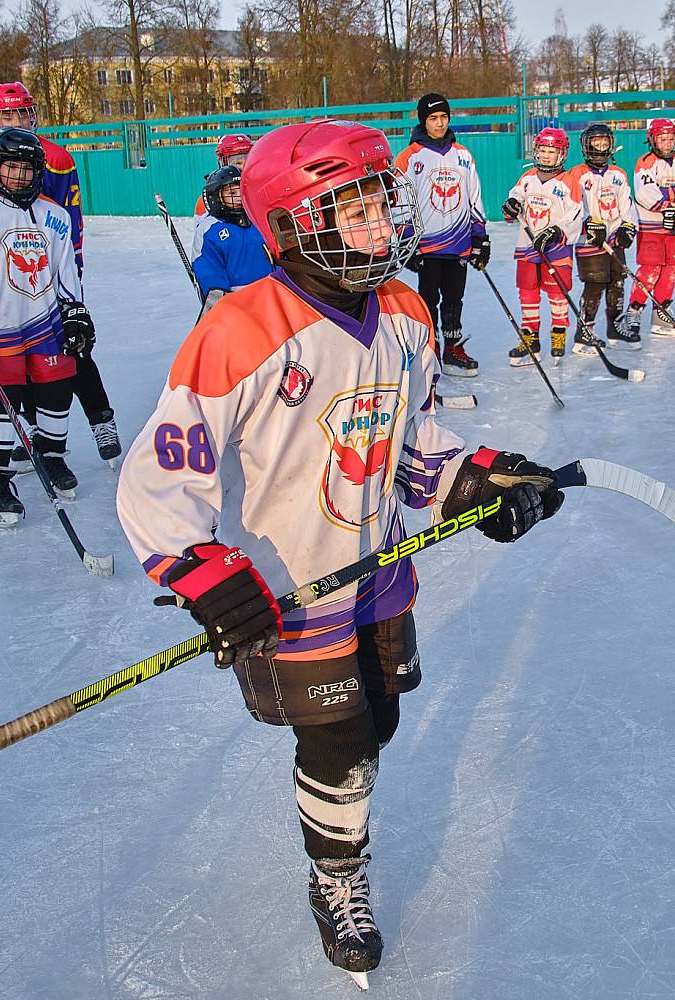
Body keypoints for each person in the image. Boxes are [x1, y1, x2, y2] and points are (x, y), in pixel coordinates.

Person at [114, 118, 563, 988]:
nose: (379, 226)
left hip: (378, 568)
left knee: (379, 718)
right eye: (351, 212)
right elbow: (160, 475)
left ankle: (338, 817)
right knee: (341, 739)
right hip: (287, 587)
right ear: (288, 225)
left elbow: (410, 442)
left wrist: (475, 479)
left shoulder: (404, 311)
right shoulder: (239, 330)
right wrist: (200, 571)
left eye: (379, 205)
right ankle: (337, 877)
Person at [0, 82, 121, 466]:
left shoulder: (57, 158)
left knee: (73, 345)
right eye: (5, 114)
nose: (14, 120)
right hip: (0, 277)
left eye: (20, 112)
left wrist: (73, 268)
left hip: (49, 269)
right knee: (14, 356)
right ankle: (33, 428)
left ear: (32, 114)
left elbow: (70, 217)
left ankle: (101, 419)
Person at [0, 127, 92, 528]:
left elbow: (65, 269)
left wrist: (74, 310)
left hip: (45, 319)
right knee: (2, 398)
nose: (19, 176)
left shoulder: (54, 214)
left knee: (57, 390)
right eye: (11, 166)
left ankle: (51, 455)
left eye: (27, 168)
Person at [394, 93, 490, 377]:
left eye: (444, 117)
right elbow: (400, 202)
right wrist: (407, 241)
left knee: (454, 298)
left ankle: (452, 349)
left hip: (458, 242)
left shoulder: (463, 155)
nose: (439, 123)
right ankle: (431, 348)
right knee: (427, 298)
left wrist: (480, 237)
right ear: (423, 121)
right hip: (427, 244)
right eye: (433, 118)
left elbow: (474, 198)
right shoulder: (410, 157)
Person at [501, 126, 582, 365]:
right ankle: (530, 338)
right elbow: (516, 196)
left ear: (562, 154)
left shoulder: (569, 181)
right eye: (543, 150)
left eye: (552, 151)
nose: (546, 156)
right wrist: (512, 204)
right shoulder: (527, 178)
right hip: (528, 244)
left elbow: (576, 214)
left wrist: (557, 231)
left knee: (558, 292)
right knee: (528, 291)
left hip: (556, 248)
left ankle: (558, 333)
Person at [561, 122, 635, 354]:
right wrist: (588, 224)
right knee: (595, 284)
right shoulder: (576, 174)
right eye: (596, 142)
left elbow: (627, 204)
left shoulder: (618, 174)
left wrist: (628, 226)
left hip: (614, 238)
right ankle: (585, 331)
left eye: (605, 142)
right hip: (589, 240)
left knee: (617, 282)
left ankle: (615, 327)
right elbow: (572, 206)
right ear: (586, 145)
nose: (601, 147)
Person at [624, 119, 675, 340]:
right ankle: (634, 310)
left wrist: (666, 193)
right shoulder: (645, 162)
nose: (667, 143)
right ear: (653, 140)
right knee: (649, 271)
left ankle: (661, 312)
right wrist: (669, 203)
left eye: (670, 139)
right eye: (662, 139)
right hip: (651, 227)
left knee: (671, 270)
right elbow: (645, 193)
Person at [190, 165, 273, 314]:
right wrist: (223, 308)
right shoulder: (209, 230)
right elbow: (209, 274)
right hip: (237, 309)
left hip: (271, 301)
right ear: (216, 196)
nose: (239, 197)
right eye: (232, 192)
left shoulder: (260, 219)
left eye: (241, 191)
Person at [193, 133, 254, 257]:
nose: (243, 167)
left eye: (247, 160)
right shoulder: (207, 201)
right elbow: (205, 242)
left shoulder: (260, 191)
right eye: (237, 162)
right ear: (222, 162)